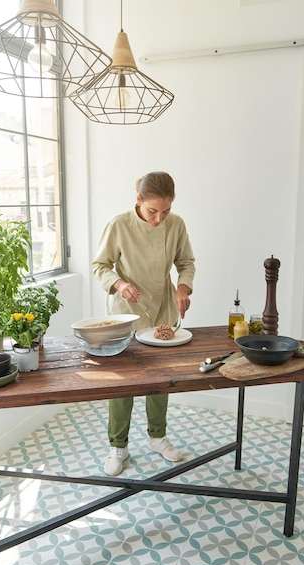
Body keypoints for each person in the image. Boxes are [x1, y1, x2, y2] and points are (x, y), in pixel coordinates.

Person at [91, 171, 195, 476]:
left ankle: (157, 437)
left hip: (162, 308)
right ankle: (118, 445)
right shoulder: (118, 225)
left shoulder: (176, 225)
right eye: (153, 211)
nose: (159, 219)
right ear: (138, 201)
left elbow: (186, 262)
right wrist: (119, 284)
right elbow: (100, 265)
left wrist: (182, 288)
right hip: (126, 311)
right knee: (122, 382)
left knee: (159, 380)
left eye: (166, 211)